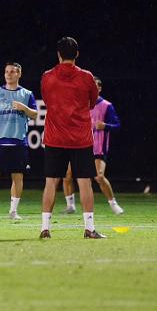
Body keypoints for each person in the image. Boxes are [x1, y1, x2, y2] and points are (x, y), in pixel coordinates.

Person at [40, 37, 105, 239]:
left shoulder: (47, 77)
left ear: (58, 54)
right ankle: (89, 229)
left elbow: (47, 100)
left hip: (55, 138)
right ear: (77, 54)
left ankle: (45, 228)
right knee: (85, 183)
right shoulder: (87, 77)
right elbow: (93, 101)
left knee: (51, 182)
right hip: (80, 139)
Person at [0, 62, 37, 220]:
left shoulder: (27, 94)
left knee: (17, 176)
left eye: (12, 72)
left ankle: (13, 211)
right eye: (6, 71)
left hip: (18, 142)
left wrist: (24, 108)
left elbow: (35, 115)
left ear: (19, 74)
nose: (9, 74)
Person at [62, 77, 123, 215]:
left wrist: (105, 126)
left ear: (99, 88)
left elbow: (118, 126)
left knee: (99, 176)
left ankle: (113, 204)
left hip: (97, 147)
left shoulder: (107, 106)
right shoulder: (79, 104)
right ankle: (70, 206)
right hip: (78, 145)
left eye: (94, 86)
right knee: (66, 175)